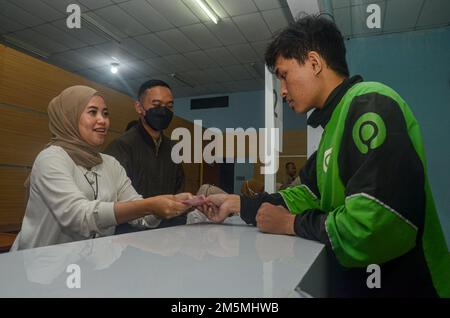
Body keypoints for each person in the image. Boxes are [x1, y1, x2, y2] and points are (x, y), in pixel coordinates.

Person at [200, 15, 449, 297]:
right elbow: (303, 195)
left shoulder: (371, 103)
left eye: (283, 75)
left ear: (315, 63)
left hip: (409, 287)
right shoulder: (333, 129)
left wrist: (290, 224)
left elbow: (373, 225)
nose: (282, 91)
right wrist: (237, 203)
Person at [11, 85, 193, 251]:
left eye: (105, 114)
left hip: (91, 271)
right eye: (92, 112)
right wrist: (149, 205)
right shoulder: (52, 158)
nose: (103, 120)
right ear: (69, 116)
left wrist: (169, 204)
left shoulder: (110, 163)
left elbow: (139, 215)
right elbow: (79, 216)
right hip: (43, 271)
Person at [104, 79, 187, 232]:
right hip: (129, 237)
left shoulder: (172, 148)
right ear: (139, 107)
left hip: (168, 234)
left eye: (169, 106)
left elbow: (178, 191)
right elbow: (113, 203)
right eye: (156, 105)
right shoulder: (121, 147)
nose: (163, 111)